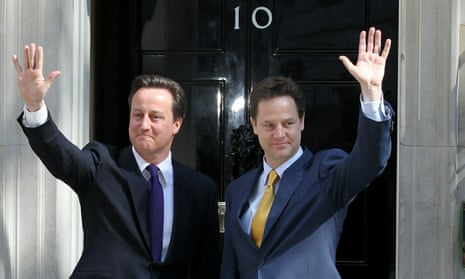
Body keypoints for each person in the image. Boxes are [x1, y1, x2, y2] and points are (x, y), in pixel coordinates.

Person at [12, 45, 220, 279]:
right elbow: (61, 156)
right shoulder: (101, 165)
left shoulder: (200, 189)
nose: (144, 125)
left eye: (156, 117)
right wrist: (35, 106)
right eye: (138, 115)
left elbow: (207, 265)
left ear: (177, 124)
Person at [220, 27, 393, 278]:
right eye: (269, 125)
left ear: (302, 121)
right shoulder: (237, 190)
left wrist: (372, 93)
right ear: (255, 125)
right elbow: (232, 266)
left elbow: (370, 162)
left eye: (288, 123)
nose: (279, 133)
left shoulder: (326, 172)